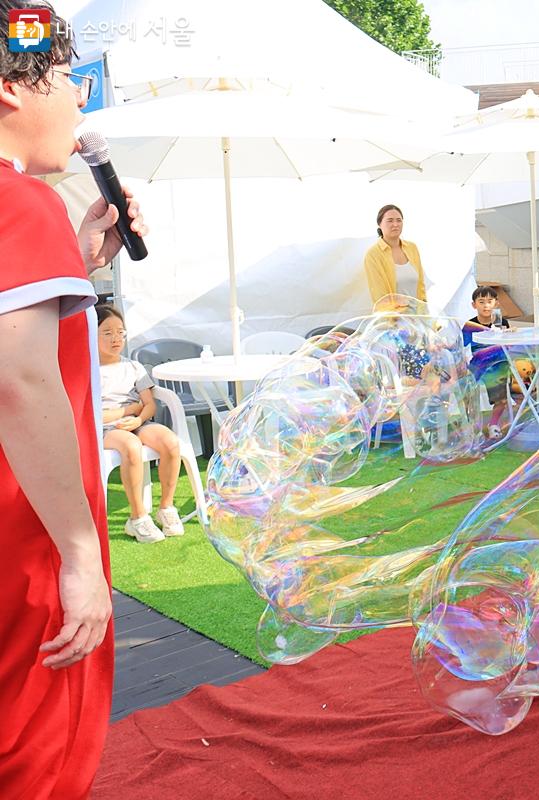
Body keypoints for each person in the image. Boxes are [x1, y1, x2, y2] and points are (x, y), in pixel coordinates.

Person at [0, 1, 148, 793]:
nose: (80, 98)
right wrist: (84, 554)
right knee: (39, 758)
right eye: (63, 77)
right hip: (26, 547)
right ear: (9, 89)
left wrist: (77, 264)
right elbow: (18, 380)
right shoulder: (21, 204)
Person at [96, 305, 185, 543]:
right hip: (105, 430)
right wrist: (128, 410)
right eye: (107, 332)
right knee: (132, 446)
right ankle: (137, 518)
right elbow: (93, 414)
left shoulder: (133, 366)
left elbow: (150, 405)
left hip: (136, 423)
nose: (116, 338)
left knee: (170, 442)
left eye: (120, 332)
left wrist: (137, 417)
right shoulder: (88, 370)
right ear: (90, 335)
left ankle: (166, 508)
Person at [462, 286, 512, 437]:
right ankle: (471, 424)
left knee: (502, 396)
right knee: (466, 389)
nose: (486, 305)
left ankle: (494, 423)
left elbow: (507, 346)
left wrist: (508, 334)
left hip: (498, 363)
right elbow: (463, 347)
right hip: (478, 363)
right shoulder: (470, 325)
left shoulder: (501, 322)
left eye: (490, 301)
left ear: (496, 303)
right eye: (481, 302)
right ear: (474, 305)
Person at [364, 204, 427, 312]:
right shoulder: (373, 254)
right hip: (393, 321)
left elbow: (421, 286)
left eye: (399, 220)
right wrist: (396, 320)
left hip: (417, 318)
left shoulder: (412, 248)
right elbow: (380, 296)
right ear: (379, 224)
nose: (395, 224)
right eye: (390, 220)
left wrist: (424, 314)